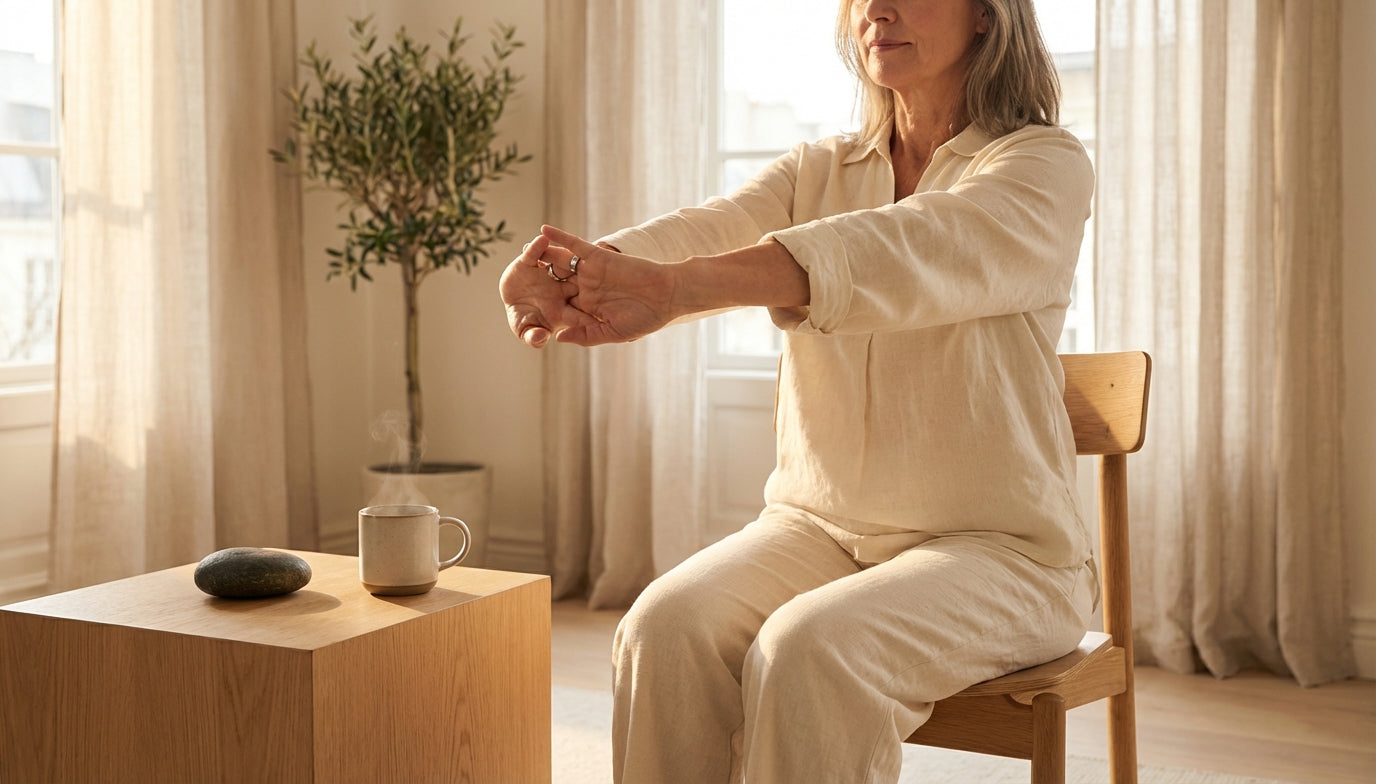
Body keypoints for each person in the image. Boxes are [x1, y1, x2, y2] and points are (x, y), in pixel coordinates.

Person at [500, 0, 1097, 781]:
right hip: (821, 529)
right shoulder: (818, 171)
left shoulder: (1042, 164)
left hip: (1003, 551)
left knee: (813, 647)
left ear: (987, 16)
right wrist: (574, 274)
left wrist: (678, 291)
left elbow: (909, 247)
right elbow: (703, 231)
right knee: (662, 626)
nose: (877, 10)